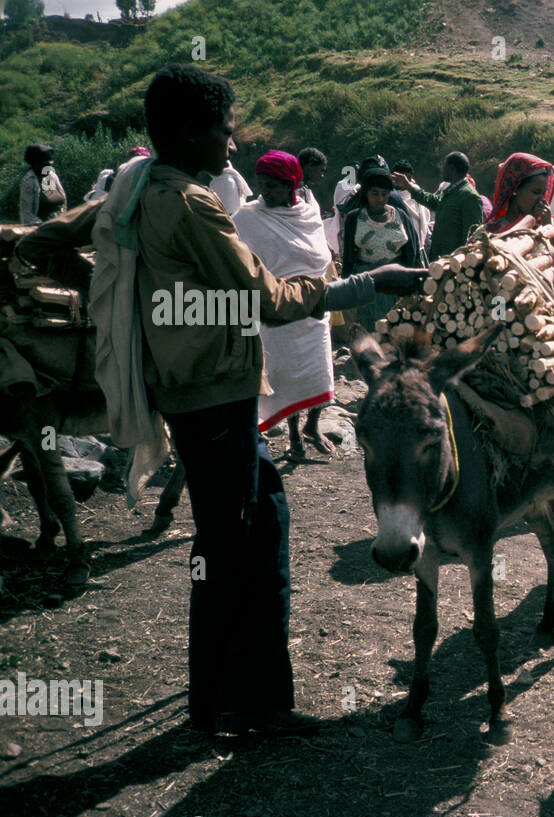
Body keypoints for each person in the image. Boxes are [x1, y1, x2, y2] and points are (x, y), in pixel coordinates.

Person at [90, 64, 424, 737]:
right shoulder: (189, 203)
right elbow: (268, 300)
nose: (232, 145)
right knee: (233, 546)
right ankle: (230, 705)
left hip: (205, 393)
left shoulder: (143, 185)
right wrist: (369, 284)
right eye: (224, 130)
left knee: (257, 525)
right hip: (212, 399)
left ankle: (240, 698)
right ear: (188, 133)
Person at [233, 150, 337, 460]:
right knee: (284, 373)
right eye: (262, 184)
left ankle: (313, 426)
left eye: (273, 186)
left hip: (315, 304)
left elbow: (319, 255)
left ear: (291, 185)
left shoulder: (307, 213)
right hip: (277, 307)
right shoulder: (248, 217)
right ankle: (294, 437)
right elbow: (242, 261)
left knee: (319, 371)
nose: (265, 191)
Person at [341, 163, 425, 331]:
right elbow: (349, 256)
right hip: (367, 283)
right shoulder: (354, 218)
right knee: (370, 330)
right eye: (375, 194)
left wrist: (412, 281)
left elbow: (412, 251)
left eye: (384, 194)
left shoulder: (400, 216)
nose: (380, 199)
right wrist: (347, 288)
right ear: (366, 193)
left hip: (396, 283)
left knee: (396, 328)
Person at [482, 152, 554, 271]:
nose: (541, 199)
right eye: (535, 192)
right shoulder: (490, 231)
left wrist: (549, 227)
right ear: (515, 190)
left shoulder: (549, 226)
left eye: (543, 193)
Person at [391, 151, 486, 261]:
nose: (442, 169)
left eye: (444, 166)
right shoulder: (452, 190)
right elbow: (433, 201)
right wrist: (409, 186)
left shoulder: (470, 196)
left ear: (451, 168)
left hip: (454, 264)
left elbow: (472, 237)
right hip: (440, 261)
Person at [390, 159, 433, 253]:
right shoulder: (388, 198)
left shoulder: (418, 196)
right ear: (393, 177)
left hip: (418, 248)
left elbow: (425, 223)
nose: (405, 181)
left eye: (408, 178)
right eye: (402, 177)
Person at [19, 144, 66, 226]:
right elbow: (26, 214)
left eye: (51, 162)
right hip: (40, 229)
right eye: (45, 163)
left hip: (58, 224)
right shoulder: (29, 181)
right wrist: (45, 227)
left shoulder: (52, 176)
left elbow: (60, 202)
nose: (49, 165)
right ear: (35, 162)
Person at [296, 147, 328, 213]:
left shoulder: (304, 189)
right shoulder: (293, 191)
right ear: (311, 166)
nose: (322, 175)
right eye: (321, 170)